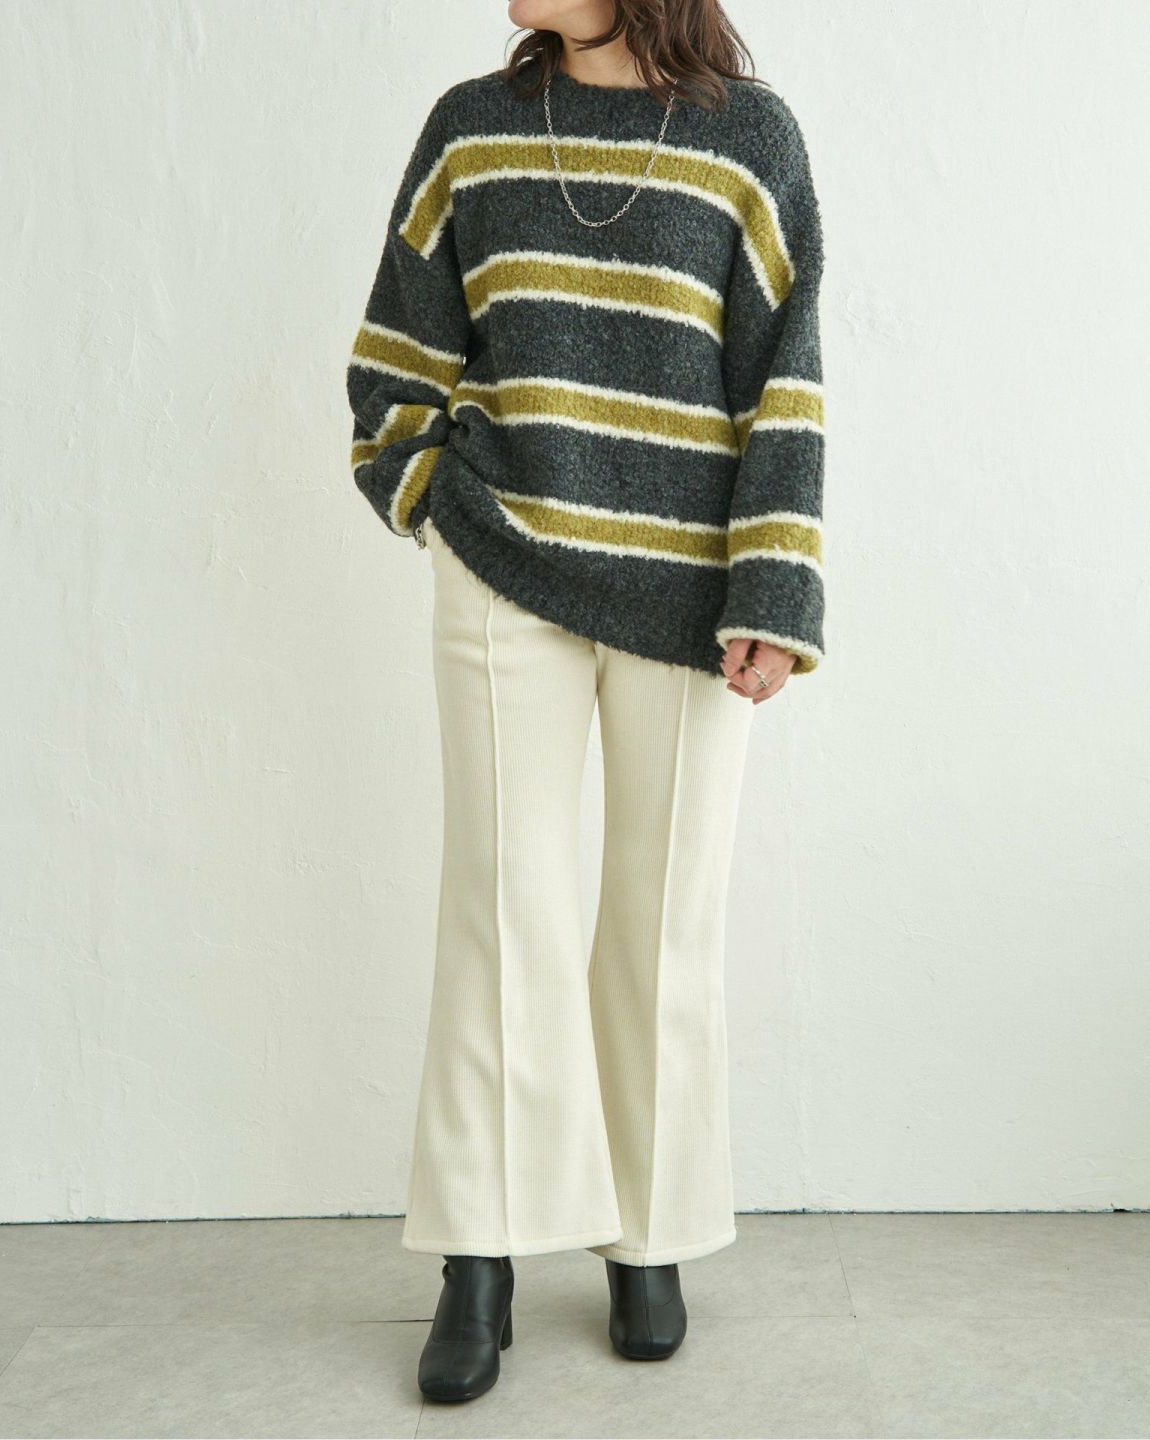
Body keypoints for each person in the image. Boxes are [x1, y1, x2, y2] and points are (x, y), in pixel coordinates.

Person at [345, 0, 826, 1404]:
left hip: (692, 596)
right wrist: (432, 500)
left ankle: (648, 1235)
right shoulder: (472, 129)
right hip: (506, 565)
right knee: (504, 910)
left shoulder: (751, 140)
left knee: (665, 921)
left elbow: (785, 379)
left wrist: (775, 592)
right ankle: (479, 1255)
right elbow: (395, 361)